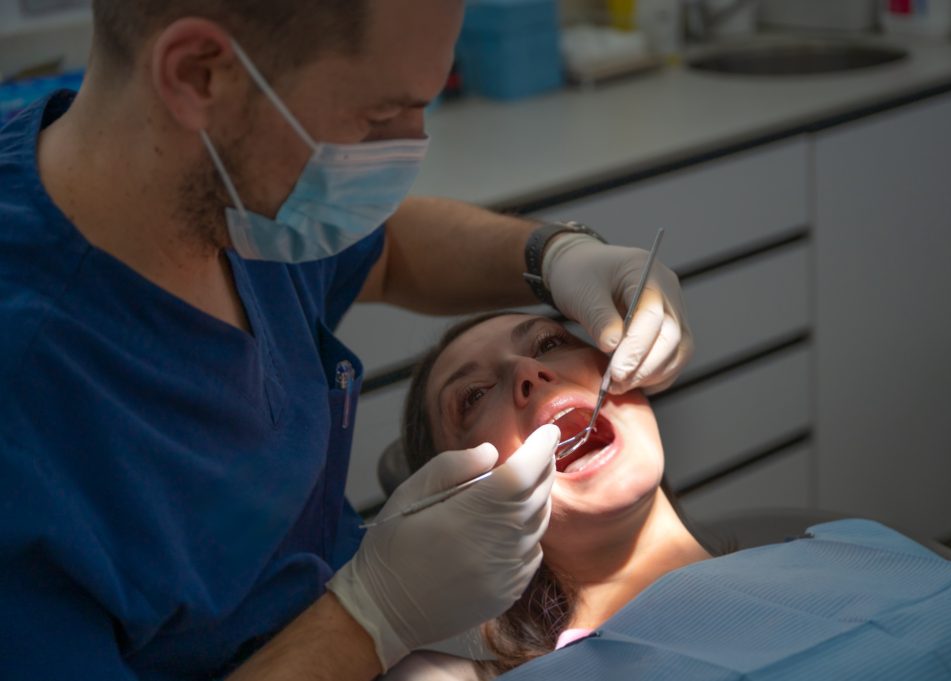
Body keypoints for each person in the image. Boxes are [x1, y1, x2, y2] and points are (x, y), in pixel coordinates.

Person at [0, 2, 693, 679]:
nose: (407, 153)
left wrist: (553, 257)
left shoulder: (230, 192)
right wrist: (372, 614)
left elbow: (385, 248)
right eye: (376, 116)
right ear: (199, 75)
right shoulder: (29, 409)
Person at [390, 311, 951, 679]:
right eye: (472, 397)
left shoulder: (855, 548)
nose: (529, 373)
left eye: (551, 343)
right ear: (454, 494)